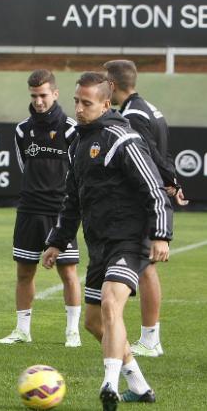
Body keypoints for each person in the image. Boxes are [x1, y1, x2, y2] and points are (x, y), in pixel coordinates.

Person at [43, 72, 173, 410]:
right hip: (99, 243)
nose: (79, 108)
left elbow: (153, 187)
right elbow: (72, 199)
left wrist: (161, 235)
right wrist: (57, 240)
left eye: (87, 103)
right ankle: (139, 385)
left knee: (112, 305)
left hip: (130, 239)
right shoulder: (79, 143)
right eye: (76, 101)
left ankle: (109, 385)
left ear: (105, 102)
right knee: (94, 322)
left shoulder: (121, 138)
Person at [104, 59, 188, 357]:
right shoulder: (149, 108)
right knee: (145, 267)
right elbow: (162, 152)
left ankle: (150, 339)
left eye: (105, 82)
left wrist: (167, 184)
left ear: (112, 85)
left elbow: (149, 155)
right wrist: (173, 182)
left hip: (143, 202)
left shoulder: (134, 116)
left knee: (146, 268)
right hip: (151, 198)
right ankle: (149, 337)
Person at [0, 69, 82, 348]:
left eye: (44, 95)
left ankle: (72, 332)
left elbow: (77, 172)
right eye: (34, 96)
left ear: (55, 94)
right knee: (24, 273)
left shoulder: (72, 129)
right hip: (29, 210)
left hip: (60, 211)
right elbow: (25, 167)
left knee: (68, 273)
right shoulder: (23, 130)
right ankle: (22, 330)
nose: (39, 101)